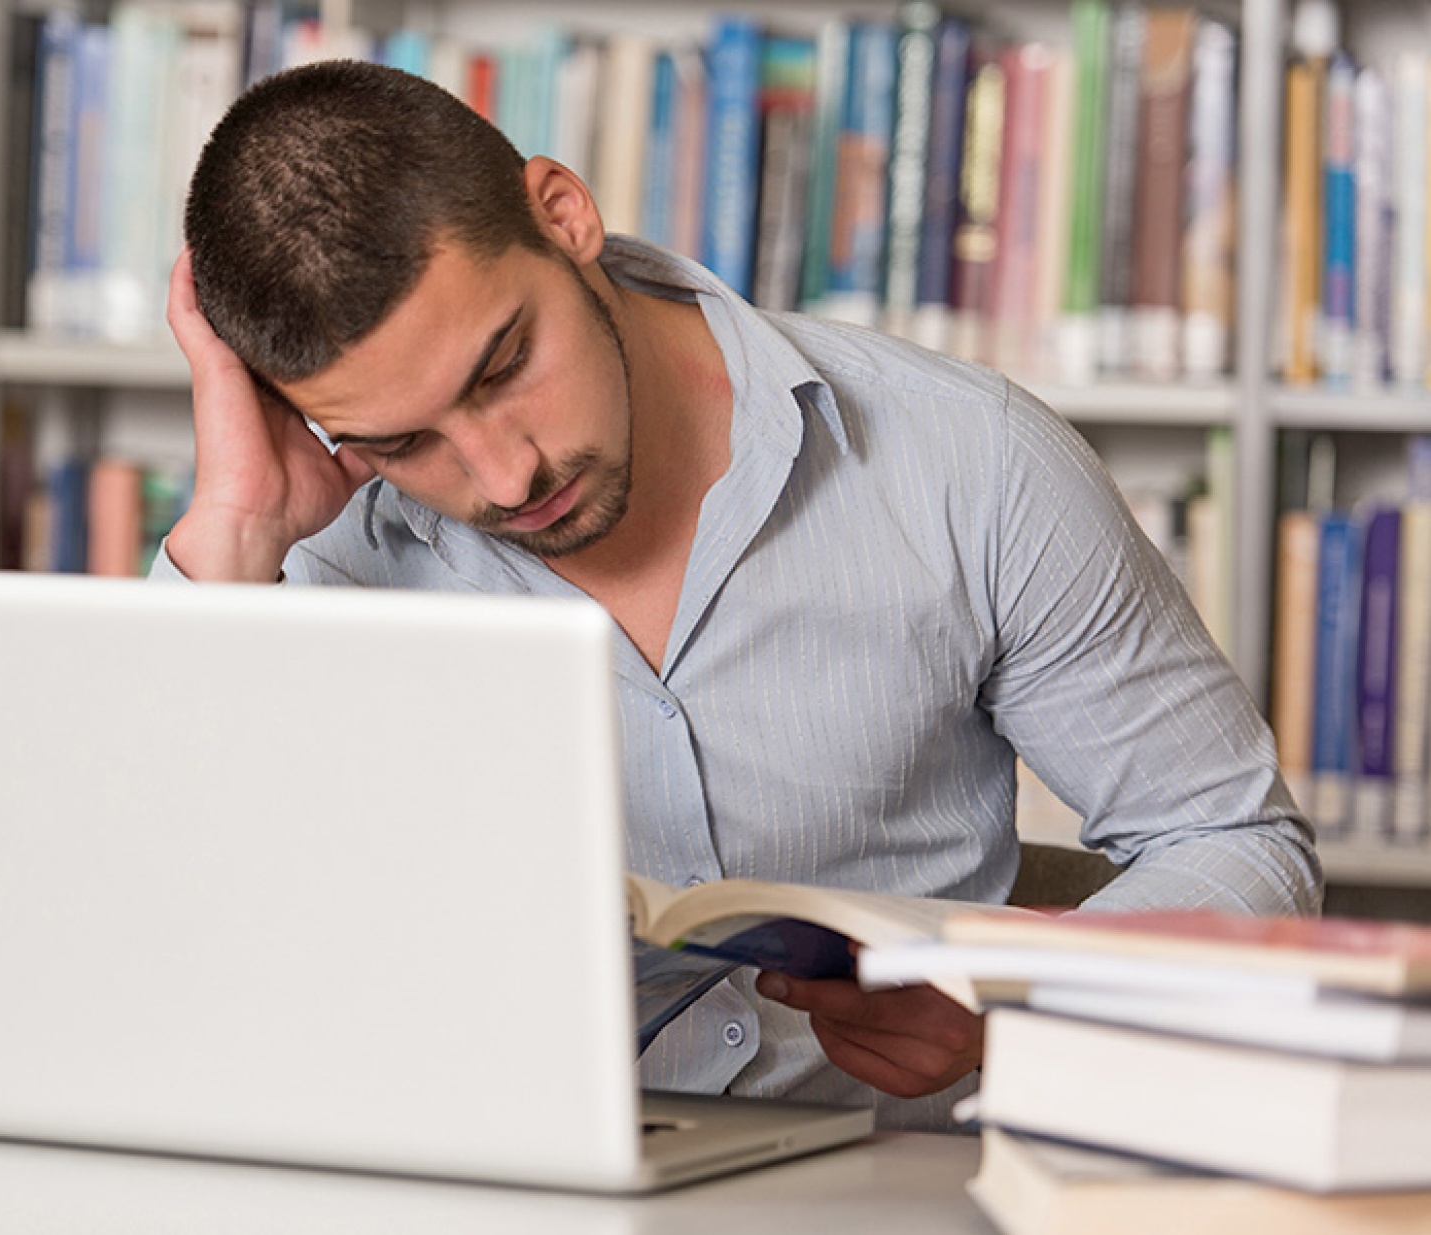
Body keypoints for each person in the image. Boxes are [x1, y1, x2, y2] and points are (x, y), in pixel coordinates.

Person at [151, 60, 1322, 1131]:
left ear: (562, 216)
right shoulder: (302, 549)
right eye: (407, 440)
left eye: (504, 365)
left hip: (887, 1187)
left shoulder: (969, 461)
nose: (504, 474)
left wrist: (1029, 999)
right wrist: (235, 532)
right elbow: (142, 923)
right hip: (477, 1173)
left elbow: (1228, 835)